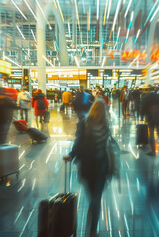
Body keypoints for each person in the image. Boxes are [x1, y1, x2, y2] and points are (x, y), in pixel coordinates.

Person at [63, 99, 116, 237]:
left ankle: (92, 230)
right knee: (93, 198)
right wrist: (71, 154)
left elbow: (108, 142)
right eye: (98, 109)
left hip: (102, 166)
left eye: (103, 110)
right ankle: (91, 223)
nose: (100, 112)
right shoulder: (84, 123)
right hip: (88, 165)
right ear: (94, 110)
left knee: (96, 199)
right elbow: (78, 141)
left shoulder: (106, 125)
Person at [141, 87, 159, 156]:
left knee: (151, 134)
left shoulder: (146, 98)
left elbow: (142, 108)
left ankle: (153, 151)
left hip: (150, 117)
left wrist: (142, 117)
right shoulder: (158, 96)